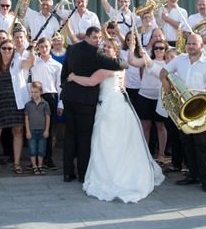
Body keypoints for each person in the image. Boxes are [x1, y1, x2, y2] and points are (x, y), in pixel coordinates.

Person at [67, 38, 164, 203]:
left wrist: (73, 77)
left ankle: (110, 175)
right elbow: (123, 86)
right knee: (119, 139)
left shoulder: (106, 68)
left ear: (115, 51)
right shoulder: (120, 66)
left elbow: (91, 82)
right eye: (104, 45)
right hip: (119, 102)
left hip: (110, 105)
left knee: (108, 138)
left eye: (109, 47)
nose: (105, 48)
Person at [60, 26, 126, 182]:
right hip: (85, 100)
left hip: (69, 96)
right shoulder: (97, 53)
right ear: (87, 37)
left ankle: (68, 173)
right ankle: (83, 174)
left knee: (70, 134)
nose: (98, 41)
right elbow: (121, 64)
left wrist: (67, 84)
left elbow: (65, 72)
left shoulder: (72, 49)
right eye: (95, 37)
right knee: (84, 136)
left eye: (99, 38)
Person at [160, 33, 206, 193]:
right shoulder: (179, 59)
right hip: (182, 109)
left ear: (201, 46)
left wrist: (195, 99)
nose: (191, 46)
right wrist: (166, 84)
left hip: (199, 108)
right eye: (189, 43)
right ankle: (192, 175)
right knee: (186, 143)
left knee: (200, 145)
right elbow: (163, 72)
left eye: (194, 44)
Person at [0, 38, 30, 176]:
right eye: (4, 48)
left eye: (10, 48)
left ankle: (17, 163)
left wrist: (31, 49)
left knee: (17, 131)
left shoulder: (18, 62)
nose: (6, 51)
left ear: (14, 50)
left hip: (15, 102)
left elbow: (30, 63)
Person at [128, 39, 168, 165]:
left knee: (160, 126)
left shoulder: (169, 62)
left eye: (161, 48)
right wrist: (131, 47)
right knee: (145, 125)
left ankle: (161, 154)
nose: (158, 50)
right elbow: (132, 62)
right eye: (156, 48)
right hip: (144, 96)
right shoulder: (146, 60)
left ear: (165, 50)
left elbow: (161, 74)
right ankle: (145, 152)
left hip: (160, 98)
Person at [25, 37, 61, 169]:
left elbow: (59, 86)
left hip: (50, 97)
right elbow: (29, 80)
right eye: (41, 47)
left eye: (46, 46)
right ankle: (33, 159)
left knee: (48, 129)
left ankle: (48, 158)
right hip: (36, 97)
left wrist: (60, 104)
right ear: (38, 48)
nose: (44, 49)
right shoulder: (34, 64)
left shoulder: (57, 65)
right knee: (34, 128)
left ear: (50, 47)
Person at [24, 81, 51, 175]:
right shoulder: (28, 105)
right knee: (32, 149)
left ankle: (40, 165)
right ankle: (34, 166)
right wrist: (27, 131)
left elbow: (48, 117)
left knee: (41, 149)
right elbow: (26, 118)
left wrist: (47, 130)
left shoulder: (45, 104)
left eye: (36, 92)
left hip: (42, 130)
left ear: (41, 92)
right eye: (32, 92)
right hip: (31, 130)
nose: (33, 94)